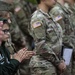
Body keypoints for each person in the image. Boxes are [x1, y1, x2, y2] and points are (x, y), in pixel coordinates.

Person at [29, 0, 66, 75]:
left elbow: (57, 41)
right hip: (43, 65)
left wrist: (61, 60)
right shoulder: (38, 18)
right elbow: (40, 45)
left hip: (52, 63)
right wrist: (58, 62)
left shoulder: (48, 16)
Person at [50, 0, 75, 75]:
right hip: (64, 50)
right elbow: (60, 35)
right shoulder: (57, 11)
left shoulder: (64, 9)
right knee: (65, 72)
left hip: (69, 49)